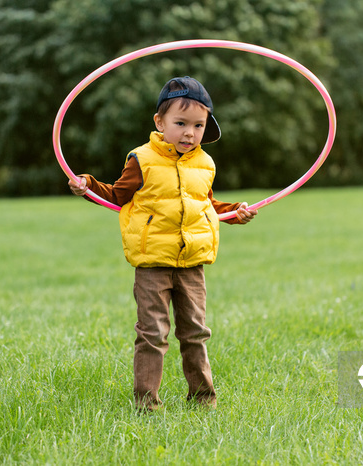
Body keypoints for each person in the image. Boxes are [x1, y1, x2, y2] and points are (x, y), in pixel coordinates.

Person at [69, 76, 257, 411]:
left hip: (191, 264)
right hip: (153, 263)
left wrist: (235, 212)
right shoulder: (141, 159)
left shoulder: (205, 164)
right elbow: (117, 195)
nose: (190, 133)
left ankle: (203, 400)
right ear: (160, 122)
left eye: (199, 126)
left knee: (196, 332)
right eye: (181, 123)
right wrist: (88, 185)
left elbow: (207, 205)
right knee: (152, 334)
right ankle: (146, 404)